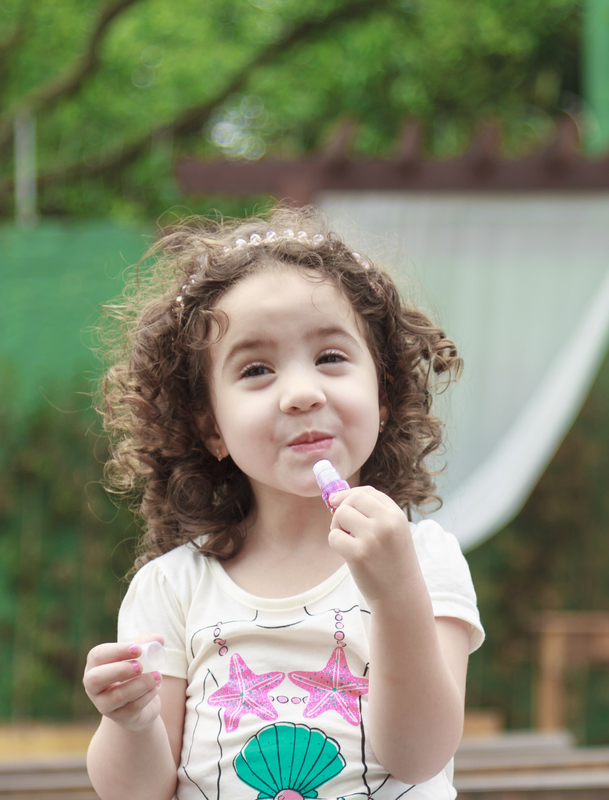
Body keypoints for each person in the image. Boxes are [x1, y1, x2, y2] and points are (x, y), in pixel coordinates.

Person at [82, 205, 484, 800]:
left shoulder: (425, 560)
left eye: (330, 357)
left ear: (383, 394)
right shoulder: (171, 587)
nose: (300, 393)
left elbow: (419, 754)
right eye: (256, 369)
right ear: (211, 426)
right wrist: (129, 721)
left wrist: (396, 591)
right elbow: (136, 792)